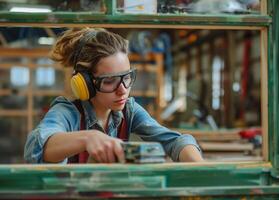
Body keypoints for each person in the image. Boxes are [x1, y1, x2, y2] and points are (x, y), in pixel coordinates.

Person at [24, 28, 203, 164]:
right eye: (109, 81)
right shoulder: (68, 112)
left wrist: (199, 167)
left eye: (127, 77)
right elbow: (37, 148)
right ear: (85, 83)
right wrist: (88, 138)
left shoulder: (128, 110)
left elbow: (174, 141)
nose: (123, 89)